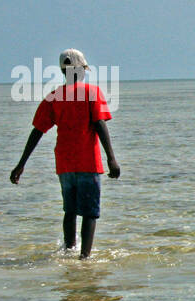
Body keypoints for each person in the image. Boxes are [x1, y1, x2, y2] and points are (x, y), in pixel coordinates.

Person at [10, 49, 120, 257]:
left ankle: (69, 252)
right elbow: (99, 125)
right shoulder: (92, 93)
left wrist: (21, 163)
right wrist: (112, 159)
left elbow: (37, 131)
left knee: (69, 211)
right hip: (88, 162)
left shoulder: (54, 97)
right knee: (90, 213)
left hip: (65, 164)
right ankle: (85, 259)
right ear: (80, 69)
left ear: (62, 70)